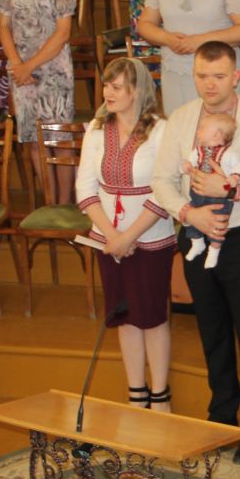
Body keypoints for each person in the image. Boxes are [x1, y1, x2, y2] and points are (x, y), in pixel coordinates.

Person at [151, 42, 240, 464]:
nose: (210, 85)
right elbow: (161, 180)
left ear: (236, 76)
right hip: (194, 232)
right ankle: (221, 416)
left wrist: (233, 190)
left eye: (219, 76)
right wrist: (188, 212)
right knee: (212, 330)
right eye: (202, 76)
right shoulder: (181, 119)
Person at [76, 57, 176, 411]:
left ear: (137, 91)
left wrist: (129, 236)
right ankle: (136, 393)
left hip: (151, 238)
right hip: (108, 240)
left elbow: (165, 191)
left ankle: (160, 395)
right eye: (106, 85)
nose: (108, 92)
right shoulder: (96, 129)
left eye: (117, 86)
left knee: (152, 316)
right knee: (124, 316)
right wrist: (112, 236)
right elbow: (85, 187)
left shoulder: (162, 130)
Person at [0, 0, 77, 189]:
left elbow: (63, 32)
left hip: (54, 70)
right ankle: (49, 202)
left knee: (59, 141)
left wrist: (28, 66)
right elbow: (4, 25)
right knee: (33, 141)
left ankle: (65, 204)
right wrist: (17, 63)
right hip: (21, 73)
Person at [179, 113, 240, 268]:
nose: (198, 131)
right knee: (190, 216)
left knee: (218, 223)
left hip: (219, 198)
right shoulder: (197, 151)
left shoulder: (229, 153)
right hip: (197, 194)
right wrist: (185, 166)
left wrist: (234, 177)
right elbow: (186, 163)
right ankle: (197, 243)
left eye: (202, 128)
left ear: (216, 135)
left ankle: (214, 250)